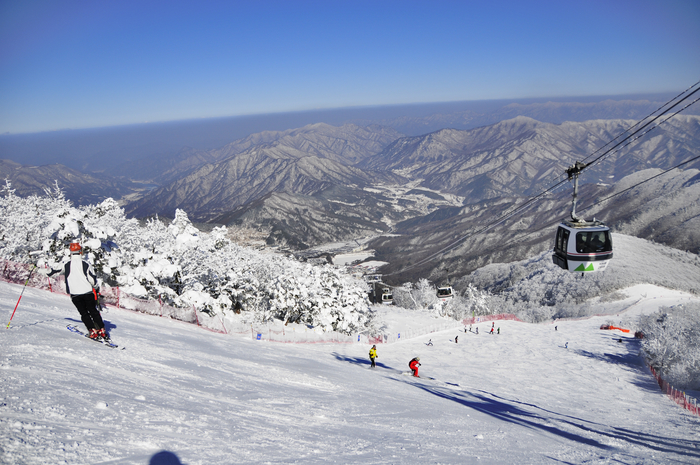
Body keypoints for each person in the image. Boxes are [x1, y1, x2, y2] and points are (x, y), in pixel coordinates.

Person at [47, 242, 109, 341]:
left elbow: (51, 272)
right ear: (80, 252)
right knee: (93, 311)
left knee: (84, 313)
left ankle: (92, 330)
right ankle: (101, 330)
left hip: (75, 294)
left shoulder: (66, 264)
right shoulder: (85, 263)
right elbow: (92, 279)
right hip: (87, 292)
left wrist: (37, 269)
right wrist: (96, 287)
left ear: (71, 252)